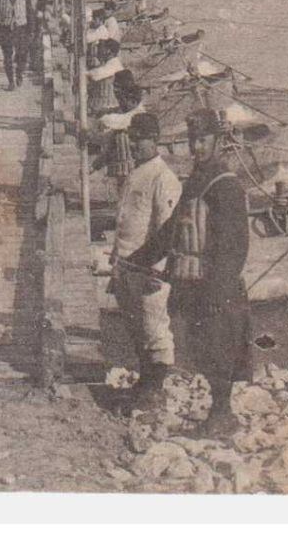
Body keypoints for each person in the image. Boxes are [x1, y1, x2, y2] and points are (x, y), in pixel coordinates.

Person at [129, 110, 251, 438]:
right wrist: (140, 258)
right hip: (190, 283)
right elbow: (172, 231)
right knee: (200, 346)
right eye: (192, 141)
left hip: (214, 286)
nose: (196, 147)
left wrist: (218, 292)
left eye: (202, 140)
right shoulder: (196, 181)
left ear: (217, 141)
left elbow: (235, 247)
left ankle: (224, 415)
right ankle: (217, 413)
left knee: (218, 348)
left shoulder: (226, 187)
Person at [107, 113, 181, 413]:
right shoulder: (136, 174)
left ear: (157, 140)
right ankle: (145, 383)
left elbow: (168, 229)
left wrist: (160, 271)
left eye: (142, 139)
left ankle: (155, 390)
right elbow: (126, 219)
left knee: (155, 328)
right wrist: (115, 260)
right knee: (136, 328)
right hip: (127, 265)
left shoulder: (164, 179)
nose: (136, 145)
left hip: (148, 269)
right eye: (134, 139)